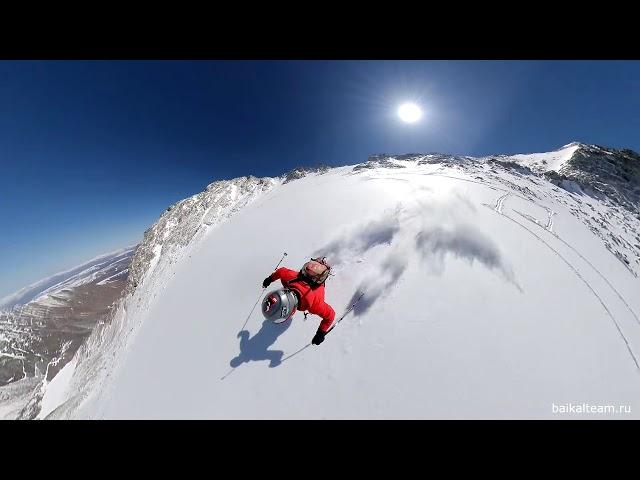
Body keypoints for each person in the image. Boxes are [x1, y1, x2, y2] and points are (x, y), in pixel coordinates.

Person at [262, 257, 336, 346]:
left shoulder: (314, 304)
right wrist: (270, 279)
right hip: (304, 276)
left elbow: (330, 316)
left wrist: (320, 333)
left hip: (318, 277)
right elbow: (281, 271)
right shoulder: (289, 278)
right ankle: (319, 266)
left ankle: (323, 267)